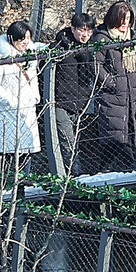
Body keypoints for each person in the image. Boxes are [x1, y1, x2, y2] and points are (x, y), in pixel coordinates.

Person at [0, 20, 44, 179]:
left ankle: (22, 192)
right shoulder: (2, 59)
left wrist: (35, 96)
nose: (25, 42)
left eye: (28, 37)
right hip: (7, 113)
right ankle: (8, 194)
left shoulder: (30, 57)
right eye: (21, 39)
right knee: (8, 155)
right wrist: (12, 102)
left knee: (26, 154)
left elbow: (33, 79)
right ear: (11, 38)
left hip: (27, 110)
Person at [94, 2, 136, 172]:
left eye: (128, 19)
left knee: (122, 132)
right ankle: (133, 165)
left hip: (129, 95)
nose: (125, 23)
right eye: (122, 18)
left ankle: (103, 170)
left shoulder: (132, 38)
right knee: (117, 134)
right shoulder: (102, 37)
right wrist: (112, 83)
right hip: (111, 95)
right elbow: (95, 65)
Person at [51, 12, 97, 175]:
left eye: (89, 31)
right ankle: (74, 176)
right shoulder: (59, 47)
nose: (85, 34)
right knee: (68, 142)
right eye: (81, 30)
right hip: (61, 103)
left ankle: (73, 173)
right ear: (72, 28)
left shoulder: (93, 48)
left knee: (77, 143)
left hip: (82, 104)